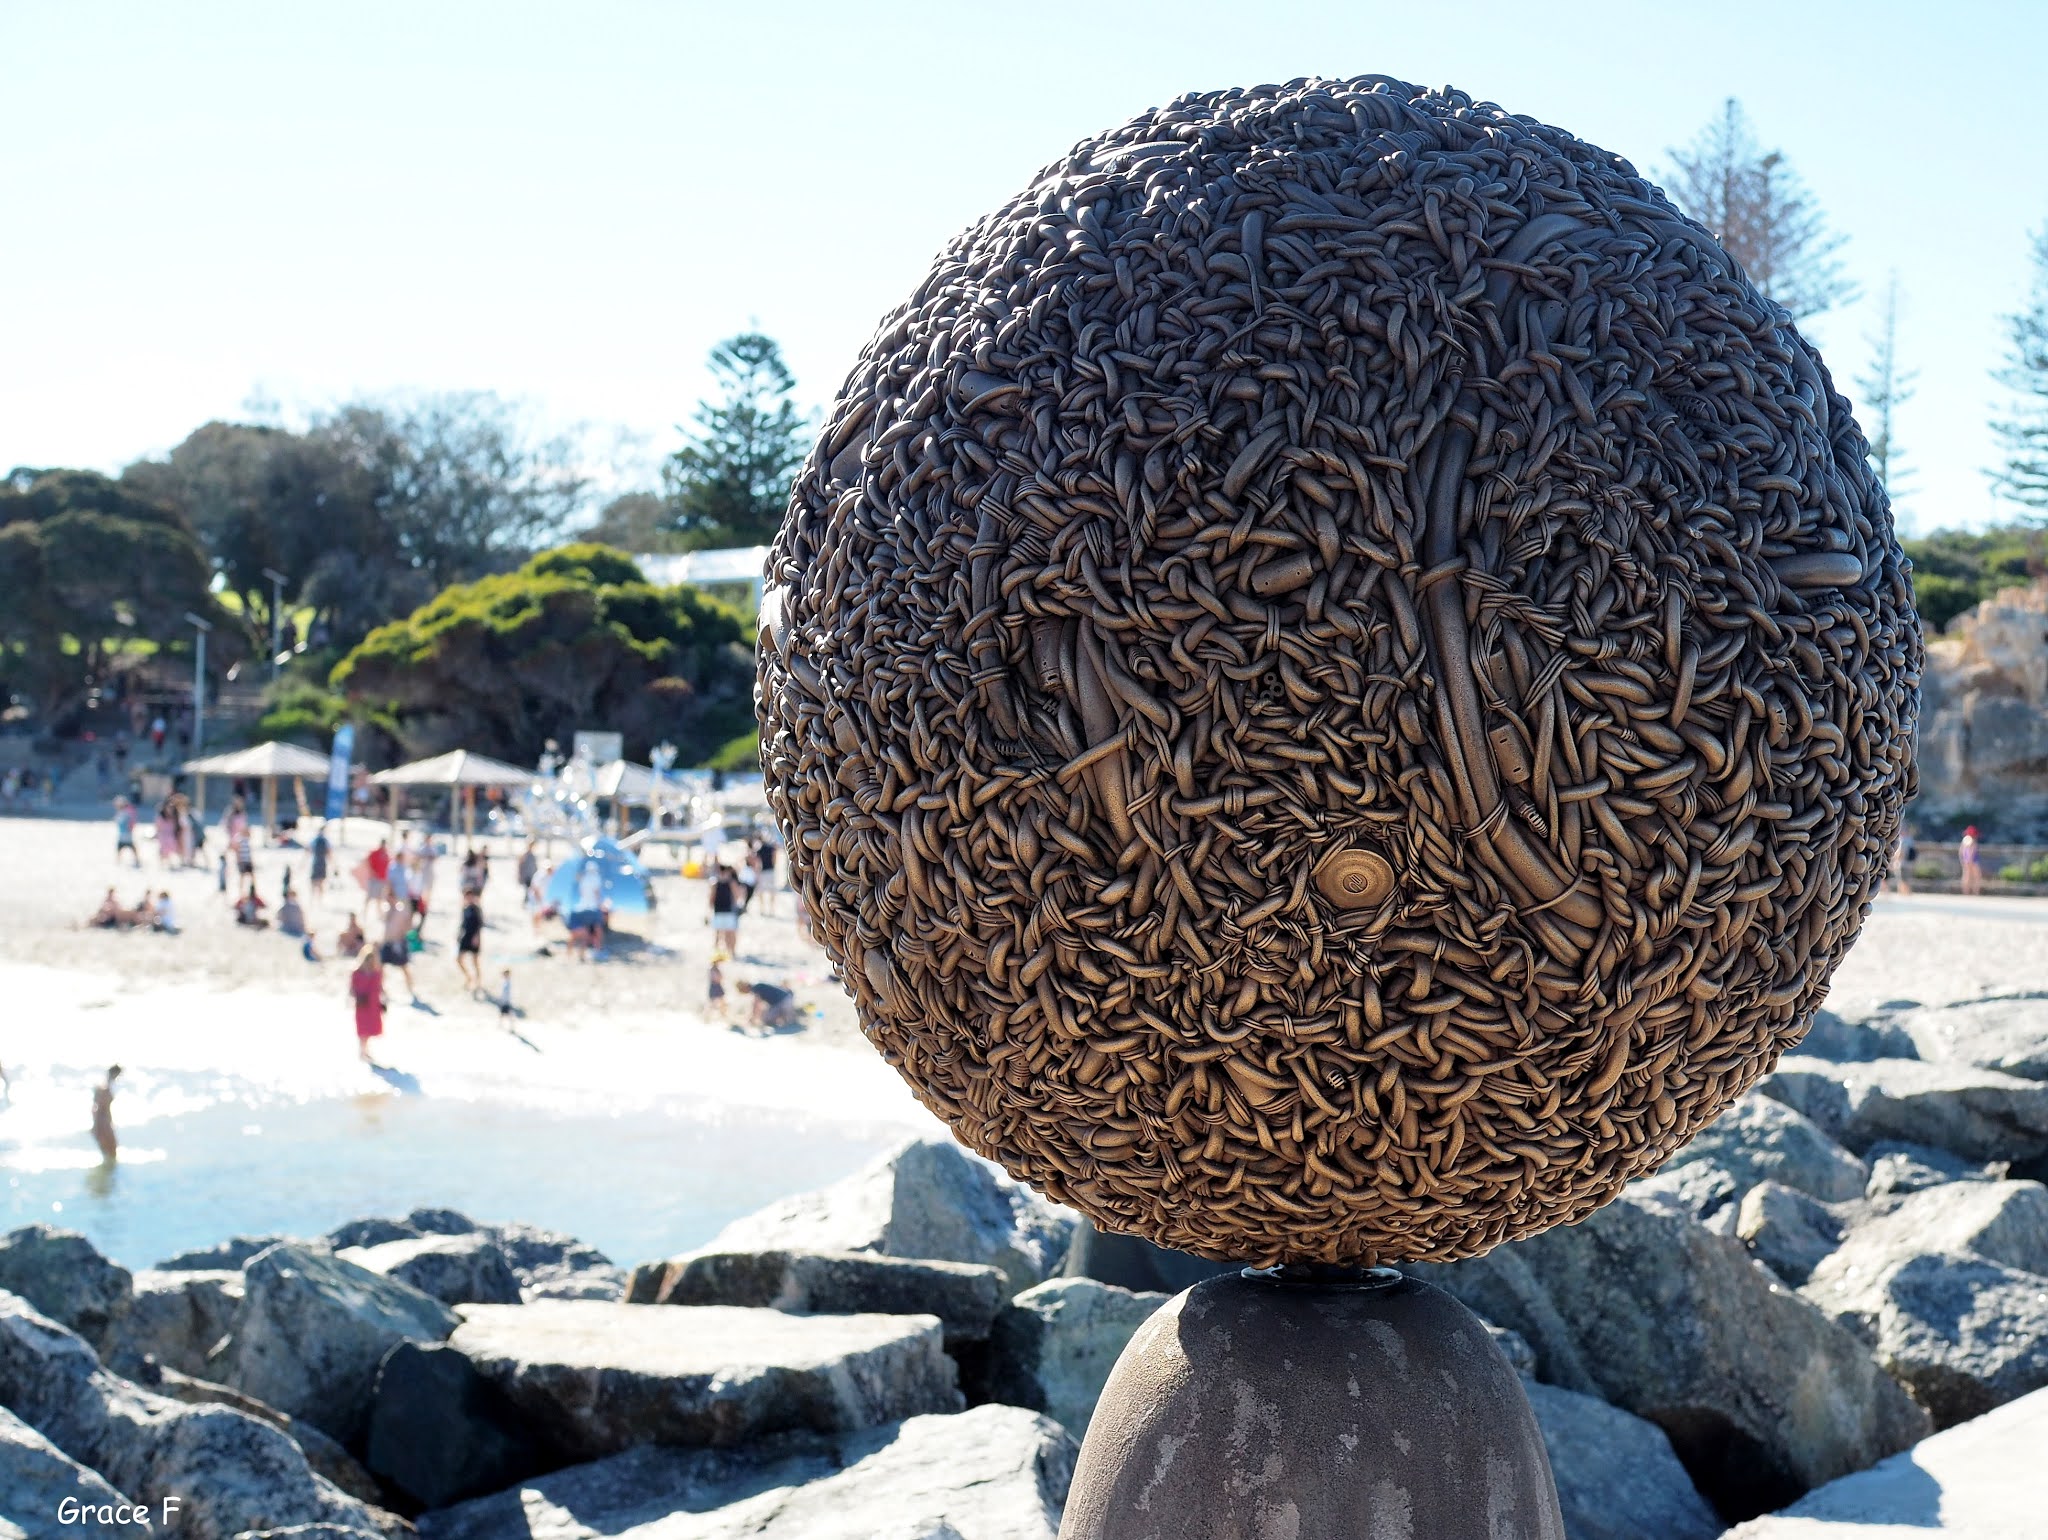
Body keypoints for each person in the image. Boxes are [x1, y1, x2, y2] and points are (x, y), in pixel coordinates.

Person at [349, 947, 385, 1063]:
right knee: (363, 1029)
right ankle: (362, 1051)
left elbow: (381, 989)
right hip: (362, 1005)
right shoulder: (357, 973)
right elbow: (352, 989)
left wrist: (383, 1002)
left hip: (373, 1005)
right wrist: (358, 996)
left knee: (370, 1030)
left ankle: (365, 1051)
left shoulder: (377, 973)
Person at [380, 898, 419, 1001]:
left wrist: (403, 935)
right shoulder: (386, 908)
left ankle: (410, 986)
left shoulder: (401, 910)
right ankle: (382, 988)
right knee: (380, 966)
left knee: (403, 966)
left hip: (398, 942)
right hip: (387, 942)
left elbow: (408, 926)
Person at [709, 864, 740, 961]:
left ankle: (730, 953)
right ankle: (721, 953)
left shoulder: (726, 883)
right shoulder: (716, 883)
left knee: (726, 934)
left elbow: (711, 898)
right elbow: (736, 896)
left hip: (725, 911)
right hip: (723, 911)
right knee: (722, 934)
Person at [92, 1065, 121, 1162]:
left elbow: (95, 1108)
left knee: (108, 1153)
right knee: (111, 1152)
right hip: (103, 1123)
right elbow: (101, 1108)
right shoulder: (105, 1089)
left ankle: (107, 1174)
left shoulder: (102, 1087)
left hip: (102, 1122)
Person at [456, 894, 484, 990]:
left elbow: (479, 924)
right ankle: (468, 977)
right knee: (459, 959)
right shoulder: (464, 909)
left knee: (475, 962)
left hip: (474, 937)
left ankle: (478, 981)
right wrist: (459, 934)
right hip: (465, 937)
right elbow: (463, 923)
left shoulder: (477, 909)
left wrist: (477, 937)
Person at [364, 840, 391, 906]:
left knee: (379, 898)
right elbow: (368, 861)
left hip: (382, 880)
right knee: (369, 897)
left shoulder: (387, 854)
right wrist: (372, 872)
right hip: (374, 879)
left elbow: (388, 867)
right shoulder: (375, 853)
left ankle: (379, 914)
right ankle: (364, 912)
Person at [114, 799, 140, 867]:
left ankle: (119, 859)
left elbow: (120, 821)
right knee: (131, 848)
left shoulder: (124, 813)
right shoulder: (125, 813)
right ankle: (135, 859)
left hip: (125, 835)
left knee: (124, 847)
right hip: (125, 835)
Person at [309, 823, 331, 902]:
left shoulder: (315, 840)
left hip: (316, 862)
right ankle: (318, 900)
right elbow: (329, 853)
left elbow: (309, 851)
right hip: (322, 862)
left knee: (314, 882)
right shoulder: (325, 841)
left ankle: (313, 899)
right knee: (320, 882)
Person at [1959, 826, 1982, 896]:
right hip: (1973, 860)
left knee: (1966, 876)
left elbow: (1961, 851)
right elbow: (1971, 851)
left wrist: (1962, 860)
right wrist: (1970, 860)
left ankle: (1966, 892)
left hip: (1966, 859)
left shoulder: (1964, 840)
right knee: (1976, 876)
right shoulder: (1971, 840)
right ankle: (1975, 892)